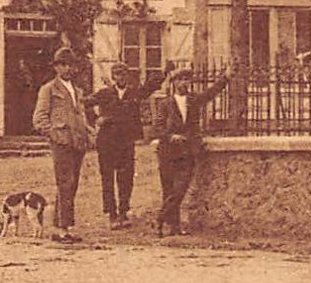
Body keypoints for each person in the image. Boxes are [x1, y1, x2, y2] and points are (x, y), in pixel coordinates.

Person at [148, 67, 231, 237]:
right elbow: (157, 127)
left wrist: (225, 79)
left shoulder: (193, 100)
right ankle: (174, 227)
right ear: (174, 82)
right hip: (168, 151)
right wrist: (170, 136)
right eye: (180, 80)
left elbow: (210, 93)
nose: (184, 83)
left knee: (180, 188)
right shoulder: (165, 104)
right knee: (169, 189)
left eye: (187, 80)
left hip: (187, 151)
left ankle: (159, 218)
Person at [87, 62, 167, 229]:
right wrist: (95, 120)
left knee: (126, 177)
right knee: (107, 178)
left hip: (126, 141)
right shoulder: (104, 93)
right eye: (117, 74)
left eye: (123, 74)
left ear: (127, 76)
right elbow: (84, 104)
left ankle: (123, 211)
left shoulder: (134, 93)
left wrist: (164, 72)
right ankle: (112, 214)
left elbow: (151, 86)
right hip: (107, 141)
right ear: (113, 76)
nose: (120, 77)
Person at [32, 46, 94, 243]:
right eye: (63, 65)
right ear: (56, 67)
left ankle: (61, 228)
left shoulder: (77, 90)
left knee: (71, 184)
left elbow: (80, 116)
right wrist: (54, 135)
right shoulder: (49, 89)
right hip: (62, 143)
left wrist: (88, 132)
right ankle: (61, 230)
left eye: (70, 65)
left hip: (77, 143)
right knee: (65, 183)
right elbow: (39, 118)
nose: (67, 69)